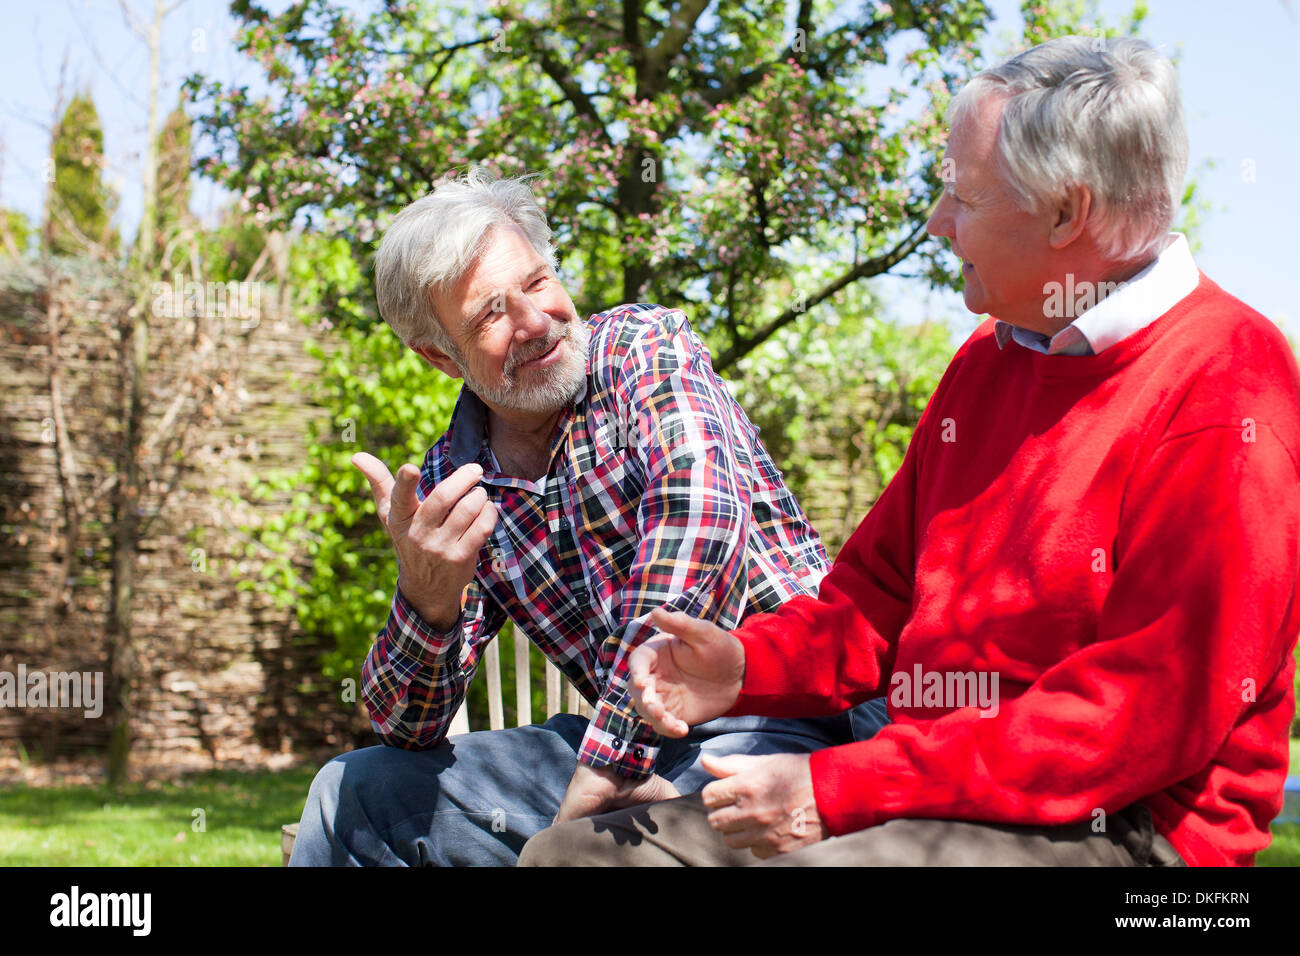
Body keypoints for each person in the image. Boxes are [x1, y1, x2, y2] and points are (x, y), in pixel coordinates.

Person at [518, 35, 1300, 868]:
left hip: (1123, 829)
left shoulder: (1230, 383)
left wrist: (843, 786)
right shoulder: (991, 360)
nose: (937, 222)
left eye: (963, 195)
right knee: (572, 858)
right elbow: (875, 598)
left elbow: (1135, 722)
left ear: (1067, 214)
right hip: (933, 790)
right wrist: (744, 667)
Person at [288, 167, 889, 866]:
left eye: (538, 282)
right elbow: (404, 727)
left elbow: (698, 524)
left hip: (791, 722)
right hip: (626, 760)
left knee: (602, 850)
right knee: (354, 794)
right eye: (490, 314)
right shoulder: (457, 482)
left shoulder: (644, 348)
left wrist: (611, 762)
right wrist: (426, 597)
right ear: (439, 356)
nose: (535, 322)